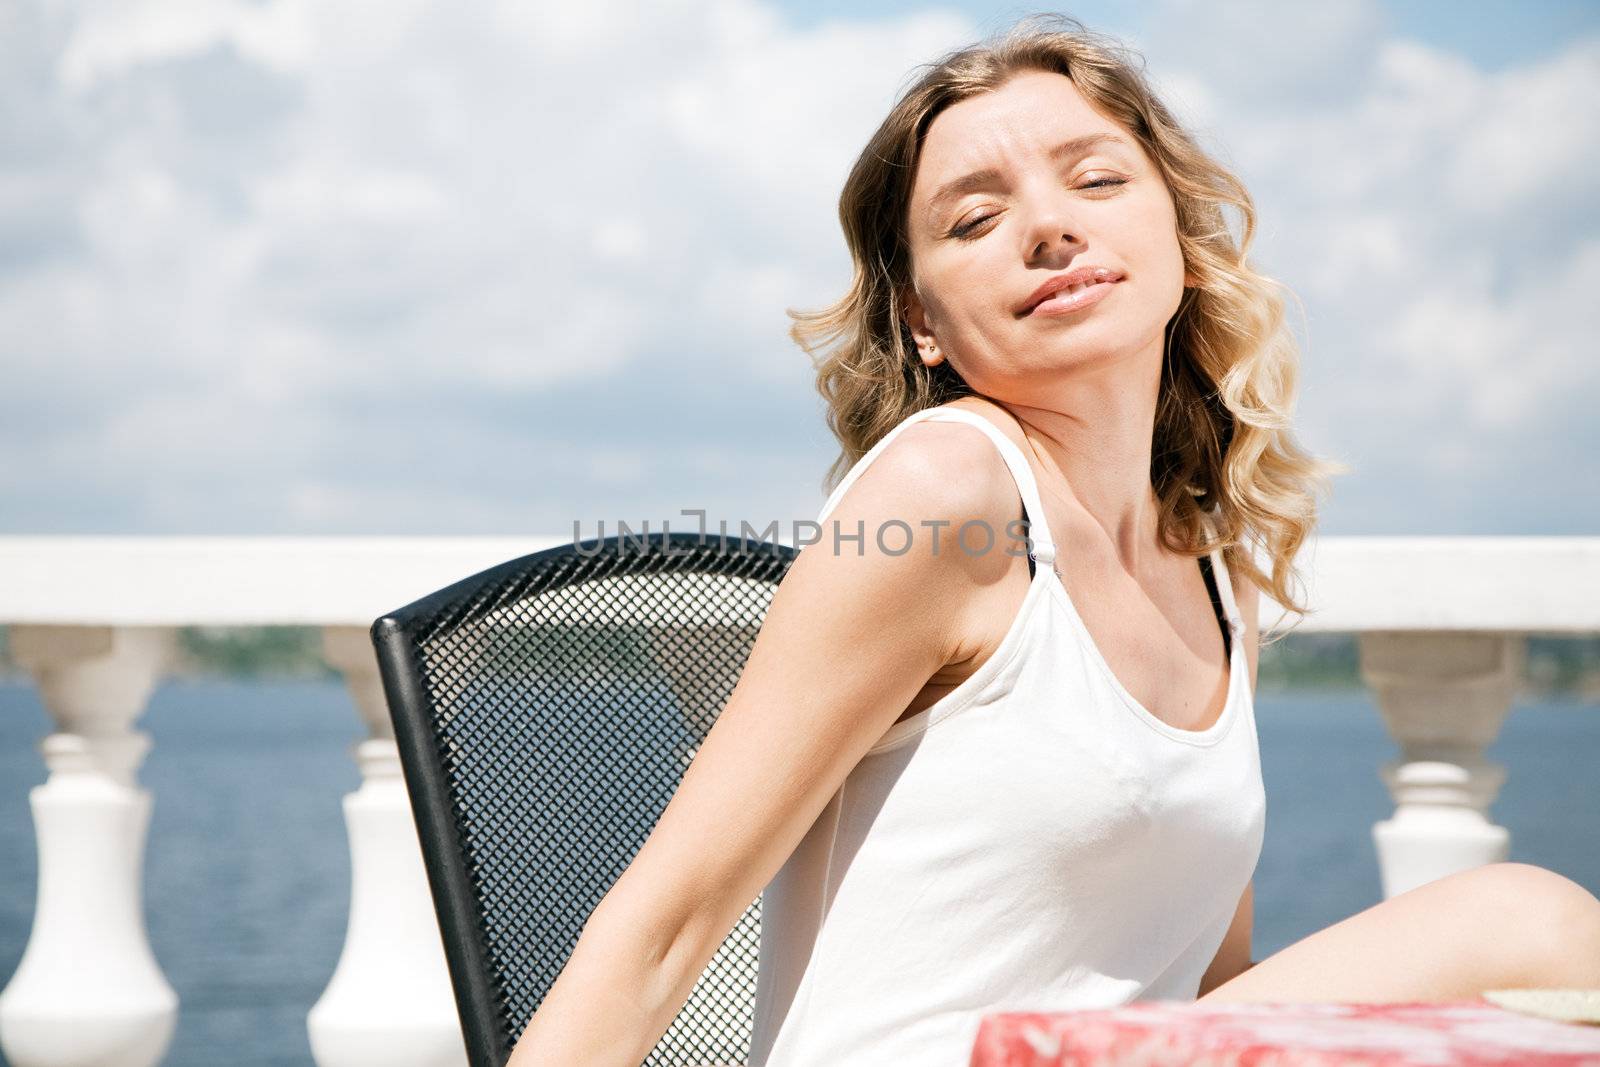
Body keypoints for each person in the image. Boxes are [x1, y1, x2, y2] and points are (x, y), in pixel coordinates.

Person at [506, 13, 1600, 1066]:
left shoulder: (1213, 567)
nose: (1047, 226)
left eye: (1097, 179)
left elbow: (1205, 992)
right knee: (1527, 918)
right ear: (923, 323)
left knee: (1536, 943)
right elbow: (663, 922)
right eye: (974, 221)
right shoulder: (949, 491)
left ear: (1175, 231)